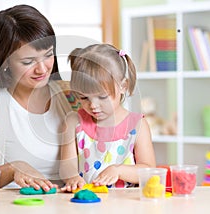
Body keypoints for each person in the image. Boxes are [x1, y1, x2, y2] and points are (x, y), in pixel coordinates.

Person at [0, 4, 79, 192]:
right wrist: (12, 169)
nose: (42, 69)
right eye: (28, 61)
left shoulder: (74, 96)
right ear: (5, 61)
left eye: (48, 55)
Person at [59, 44, 156, 192]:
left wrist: (119, 170)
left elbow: (149, 171)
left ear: (123, 86)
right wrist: (72, 177)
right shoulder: (73, 122)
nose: (93, 106)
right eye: (84, 97)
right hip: (87, 203)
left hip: (128, 205)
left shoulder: (138, 125)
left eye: (102, 97)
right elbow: (66, 165)